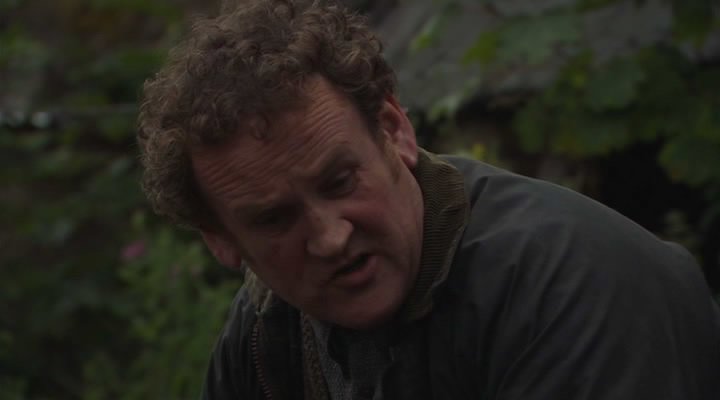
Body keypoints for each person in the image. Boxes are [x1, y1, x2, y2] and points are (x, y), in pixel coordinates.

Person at [136, 1, 720, 399]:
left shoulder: (569, 286)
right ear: (222, 241)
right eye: (274, 218)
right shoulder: (268, 331)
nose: (331, 237)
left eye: (340, 182)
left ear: (395, 130)